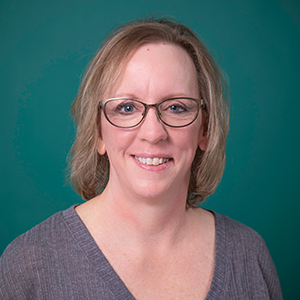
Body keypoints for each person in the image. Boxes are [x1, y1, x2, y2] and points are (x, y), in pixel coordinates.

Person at [0, 17, 282, 299]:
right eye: (126, 108)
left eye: (176, 107)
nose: (153, 132)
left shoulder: (249, 256)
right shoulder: (29, 266)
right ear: (97, 131)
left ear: (205, 130)